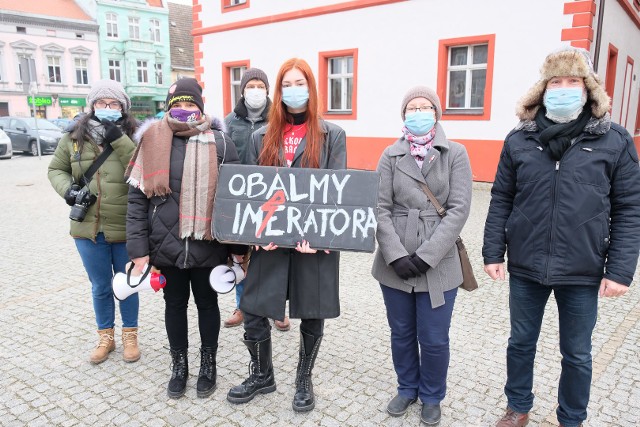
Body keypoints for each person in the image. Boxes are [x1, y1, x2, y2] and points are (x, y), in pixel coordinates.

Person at [483, 47, 640, 427]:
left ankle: (572, 418)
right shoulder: (519, 139)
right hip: (526, 264)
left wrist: (619, 270)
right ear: (543, 89)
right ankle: (517, 407)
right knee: (520, 343)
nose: (564, 88)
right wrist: (492, 251)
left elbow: (629, 207)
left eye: (573, 81)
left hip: (583, 268)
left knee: (577, 354)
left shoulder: (614, 141)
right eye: (556, 82)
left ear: (588, 89)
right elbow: (502, 196)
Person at [226, 58, 346, 412]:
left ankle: (303, 379)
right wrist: (254, 234)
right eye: (287, 84)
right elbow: (251, 190)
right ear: (279, 92)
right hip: (270, 239)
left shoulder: (332, 135)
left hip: (314, 244)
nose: (294, 89)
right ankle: (263, 374)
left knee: (313, 309)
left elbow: (336, 193)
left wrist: (321, 238)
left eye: (300, 82)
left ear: (311, 87)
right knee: (253, 305)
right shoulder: (261, 135)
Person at [125, 78, 246, 399]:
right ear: (168, 107)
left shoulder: (221, 143)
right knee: (174, 305)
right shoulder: (151, 140)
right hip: (166, 245)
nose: (183, 110)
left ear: (200, 107)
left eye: (189, 104)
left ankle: (209, 364)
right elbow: (137, 201)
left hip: (209, 244)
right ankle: (179, 365)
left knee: (207, 304)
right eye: (176, 104)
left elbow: (234, 202)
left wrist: (237, 251)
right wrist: (138, 250)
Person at [371, 86, 472, 425]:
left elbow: (458, 210)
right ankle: (406, 387)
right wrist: (395, 255)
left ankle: (432, 395)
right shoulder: (390, 155)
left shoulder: (455, 153)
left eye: (424, 106)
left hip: (438, 263)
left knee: (433, 337)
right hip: (394, 261)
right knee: (400, 332)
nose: (418, 112)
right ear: (404, 115)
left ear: (436, 112)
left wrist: (427, 256)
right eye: (411, 107)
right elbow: (380, 208)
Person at [48, 79, 141, 364]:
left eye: (114, 104)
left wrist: (118, 138)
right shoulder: (73, 137)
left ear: (123, 108)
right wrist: (68, 190)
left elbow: (140, 166)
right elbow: (56, 169)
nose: (107, 108)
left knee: (125, 284)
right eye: (102, 103)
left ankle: (129, 336)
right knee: (100, 286)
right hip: (87, 227)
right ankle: (106, 338)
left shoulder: (135, 136)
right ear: (92, 106)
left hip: (125, 226)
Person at [222, 68, 290, 332]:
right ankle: (242, 305)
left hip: (272, 197)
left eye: (260, 85)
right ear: (242, 90)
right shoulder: (229, 122)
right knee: (240, 256)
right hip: (240, 200)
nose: (256, 90)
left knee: (273, 254)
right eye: (251, 85)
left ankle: (277, 309)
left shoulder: (278, 119)